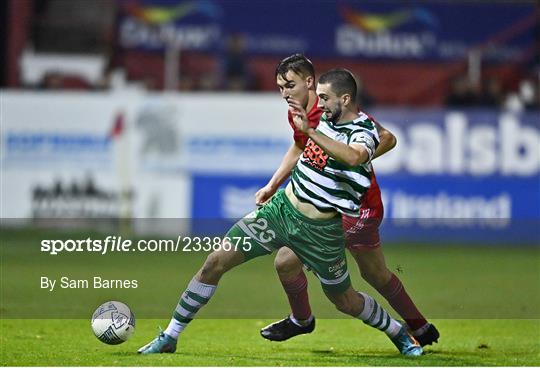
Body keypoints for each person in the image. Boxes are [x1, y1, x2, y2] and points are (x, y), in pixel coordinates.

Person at [138, 69, 423, 356]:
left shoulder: (363, 131)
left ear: (345, 99)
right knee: (215, 261)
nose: (319, 104)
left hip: (321, 231)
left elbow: (355, 156)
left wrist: (311, 131)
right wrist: (273, 185)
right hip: (280, 212)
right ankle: (170, 336)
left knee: (345, 301)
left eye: (324, 98)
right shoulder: (322, 118)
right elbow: (300, 144)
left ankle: (398, 331)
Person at [256, 54, 439, 347]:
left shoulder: (333, 112)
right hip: (333, 207)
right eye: (280, 87)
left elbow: (388, 138)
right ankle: (420, 327)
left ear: (309, 82)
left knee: (291, 262)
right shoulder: (297, 114)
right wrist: (272, 184)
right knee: (372, 273)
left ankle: (303, 320)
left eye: (289, 85)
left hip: (357, 208)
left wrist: (351, 161)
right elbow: (299, 146)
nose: (285, 93)